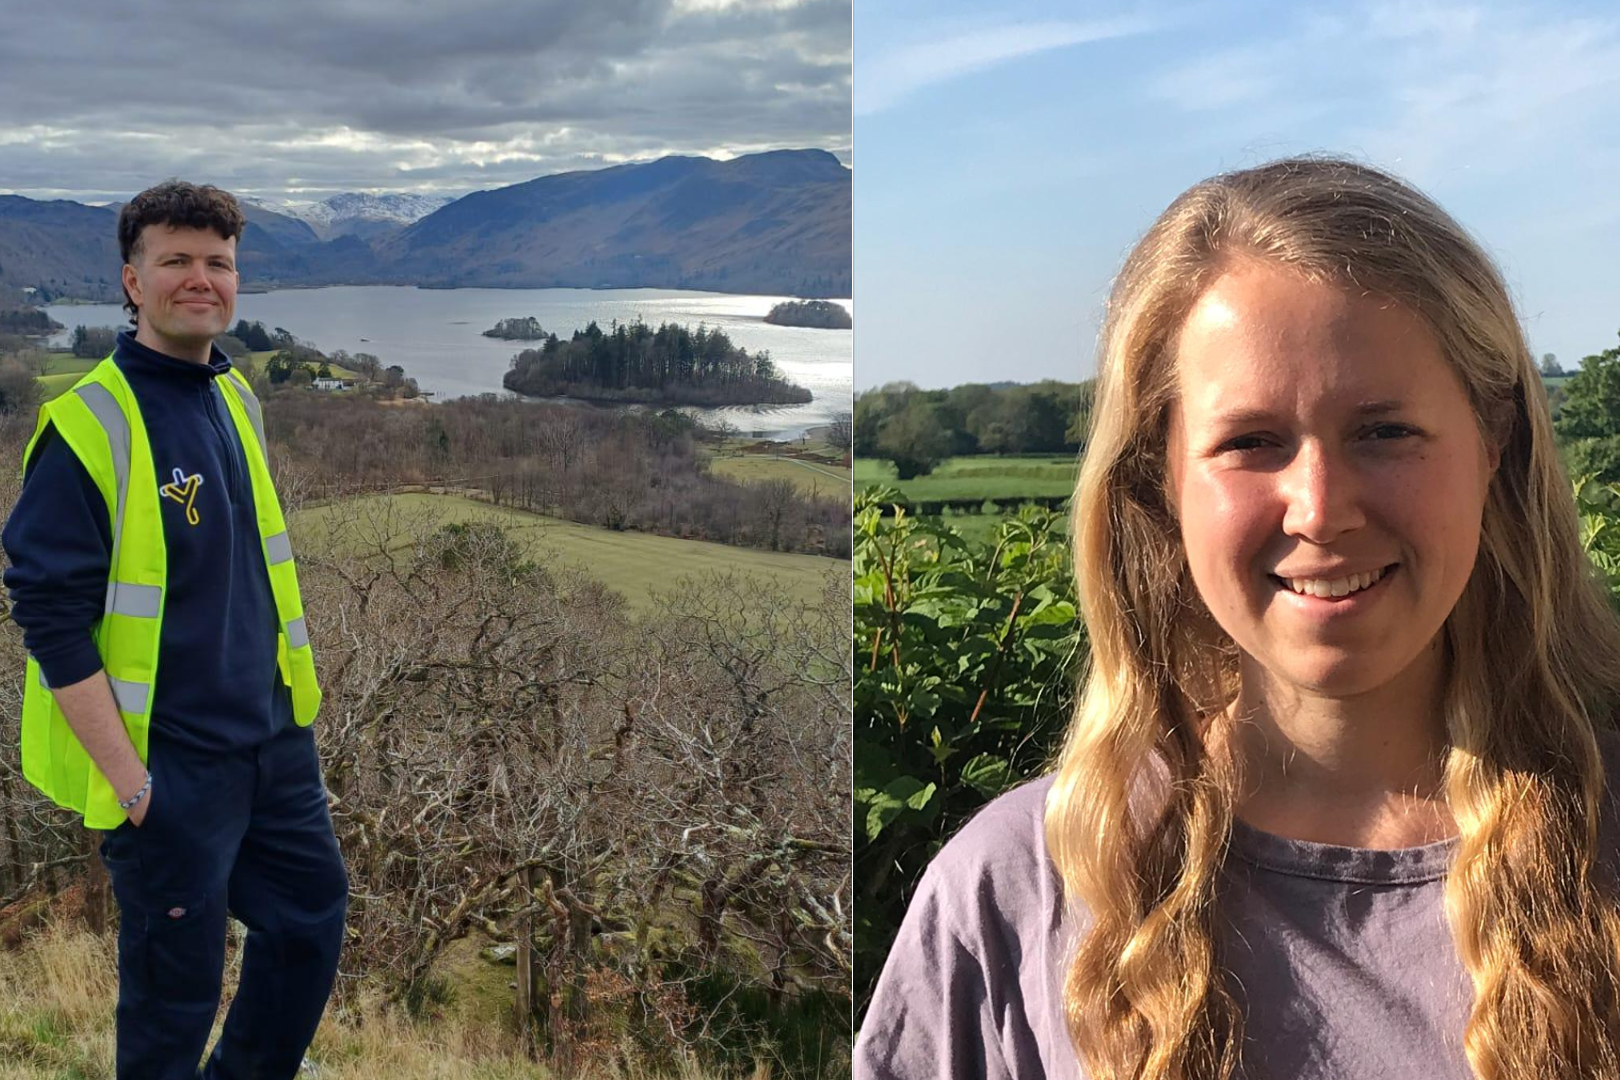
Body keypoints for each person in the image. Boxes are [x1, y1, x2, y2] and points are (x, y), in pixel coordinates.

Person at [855, 157, 1620, 1079]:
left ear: (1494, 440)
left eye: (1384, 431)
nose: (1321, 509)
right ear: (1160, 478)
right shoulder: (1014, 897)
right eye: (1252, 441)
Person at [2, 180, 348, 1080]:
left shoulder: (235, 399)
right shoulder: (89, 426)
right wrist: (133, 785)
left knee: (309, 922)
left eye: (218, 263)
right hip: (170, 766)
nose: (201, 279)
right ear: (132, 281)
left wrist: (290, 722)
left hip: (272, 744)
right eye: (177, 261)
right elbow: (49, 618)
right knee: (172, 1001)